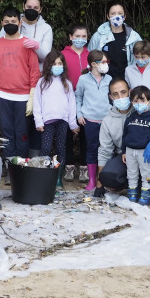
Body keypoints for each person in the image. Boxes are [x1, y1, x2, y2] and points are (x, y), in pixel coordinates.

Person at [97, 78, 150, 210]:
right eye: (116, 94)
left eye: (123, 92)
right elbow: (104, 151)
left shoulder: (147, 107)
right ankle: (137, 186)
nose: (120, 97)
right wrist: (100, 184)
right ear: (111, 97)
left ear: (130, 92)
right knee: (108, 176)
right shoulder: (107, 121)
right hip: (127, 157)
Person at [0, 7, 40, 163]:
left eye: (13, 21)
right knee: (7, 133)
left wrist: (31, 97)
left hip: (23, 97)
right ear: (2, 23)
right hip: (2, 96)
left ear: (20, 22)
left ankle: (21, 165)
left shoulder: (27, 45)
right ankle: (10, 166)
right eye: (7, 21)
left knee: (22, 133)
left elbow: (34, 73)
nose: (10, 24)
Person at [33, 50, 79, 190]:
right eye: (54, 63)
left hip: (63, 121)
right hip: (47, 122)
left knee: (61, 149)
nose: (57, 66)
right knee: (46, 148)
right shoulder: (42, 82)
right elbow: (37, 102)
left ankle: (58, 178)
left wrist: (73, 123)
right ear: (48, 65)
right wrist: (39, 121)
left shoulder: (67, 83)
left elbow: (72, 104)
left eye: (60, 63)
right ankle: (43, 176)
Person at [75, 50, 112, 191]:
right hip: (89, 120)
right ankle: (92, 180)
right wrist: (79, 114)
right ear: (93, 64)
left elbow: (113, 99)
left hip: (106, 120)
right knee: (91, 150)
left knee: (106, 149)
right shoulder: (83, 79)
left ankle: (104, 180)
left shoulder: (109, 79)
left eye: (106, 62)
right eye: (102, 62)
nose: (105, 64)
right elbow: (78, 97)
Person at [121, 86, 150, 205]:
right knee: (131, 173)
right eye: (135, 101)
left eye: (142, 100)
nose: (139, 103)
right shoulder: (130, 118)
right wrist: (124, 151)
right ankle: (132, 193)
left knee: (146, 173)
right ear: (132, 102)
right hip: (130, 150)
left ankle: (146, 194)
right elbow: (125, 135)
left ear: (149, 101)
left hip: (145, 152)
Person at [62, 24, 90, 183]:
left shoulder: (91, 55)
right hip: (67, 98)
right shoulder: (63, 55)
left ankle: (85, 168)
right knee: (66, 133)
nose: (80, 39)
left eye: (83, 36)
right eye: (77, 36)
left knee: (86, 134)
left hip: (87, 100)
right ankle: (69, 166)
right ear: (70, 37)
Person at [87, 2, 142, 81]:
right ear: (108, 17)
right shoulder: (98, 36)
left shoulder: (134, 37)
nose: (117, 16)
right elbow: (89, 57)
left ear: (124, 16)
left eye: (120, 13)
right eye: (113, 13)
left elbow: (143, 58)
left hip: (127, 82)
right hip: (103, 81)